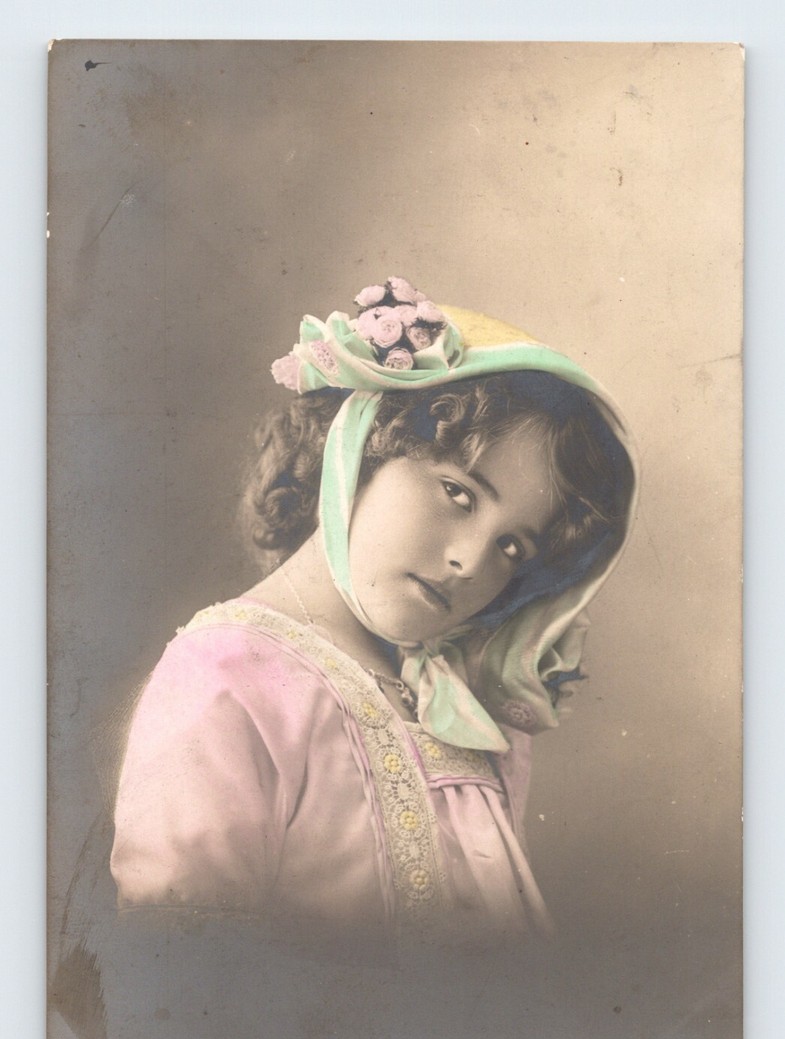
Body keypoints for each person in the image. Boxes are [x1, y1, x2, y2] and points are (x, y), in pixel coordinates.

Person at [110, 277, 637, 952]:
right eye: (458, 493)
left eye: (512, 546)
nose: (470, 561)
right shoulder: (225, 673)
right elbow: (187, 976)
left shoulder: (466, 706)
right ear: (362, 448)